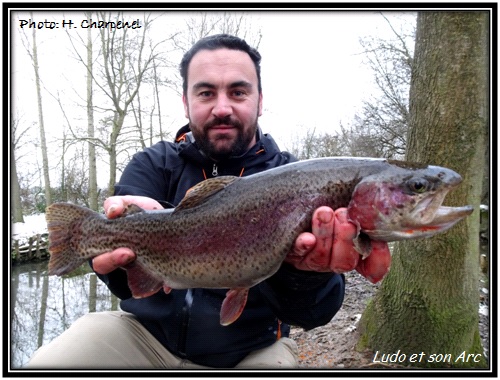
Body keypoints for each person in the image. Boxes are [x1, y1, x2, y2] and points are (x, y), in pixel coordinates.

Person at [27, 34, 390, 369]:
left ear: (260, 101)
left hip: (253, 349)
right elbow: (126, 283)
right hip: (144, 336)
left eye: (237, 92)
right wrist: (116, 249)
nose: (221, 107)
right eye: (205, 93)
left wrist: (302, 273)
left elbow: (315, 314)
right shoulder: (153, 164)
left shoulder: (298, 178)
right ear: (186, 102)